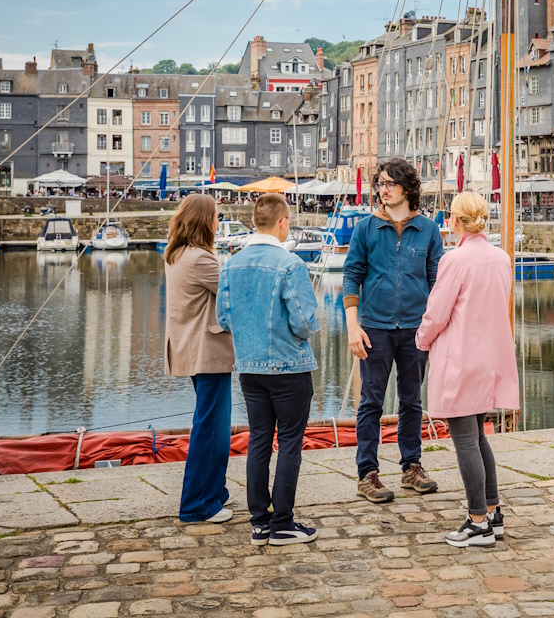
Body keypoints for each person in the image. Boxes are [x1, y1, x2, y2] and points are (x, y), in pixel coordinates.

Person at [217, 193, 320, 546]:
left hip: (249, 365)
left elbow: (222, 318)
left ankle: (259, 522)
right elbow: (305, 322)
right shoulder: (290, 264)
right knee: (290, 443)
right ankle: (283, 523)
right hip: (289, 366)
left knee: (259, 440)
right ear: (282, 222)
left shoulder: (231, 264)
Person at [416, 192, 516, 547]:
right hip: (488, 357)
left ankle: (477, 522)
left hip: (460, 357)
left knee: (465, 441)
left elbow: (437, 312)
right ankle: (493, 510)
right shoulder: (501, 258)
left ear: (455, 222)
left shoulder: (454, 261)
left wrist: (422, 339)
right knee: (478, 435)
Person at [343, 158, 445, 503]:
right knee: (370, 401)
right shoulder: (366, 228)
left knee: (412, 401)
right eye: (380, 184)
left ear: (407, 188)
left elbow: (437, 283)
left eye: (390, 184)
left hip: (416, 328)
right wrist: (353, 326)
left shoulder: (428, 230)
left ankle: (411, 467)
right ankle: (367, 473)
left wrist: (435, 327)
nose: (383, 190)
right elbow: (351, 277)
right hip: (374, 327)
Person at [163, 194, 235, 525]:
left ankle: (215, 491)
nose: (219, 223)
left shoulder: (177, 255)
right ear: (204, 221)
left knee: (211, 424)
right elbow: (234, 294)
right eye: (216, 217)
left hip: (191, 349)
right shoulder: (200, 260)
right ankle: (197, 504)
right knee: (211, 428)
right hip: (207, 352)